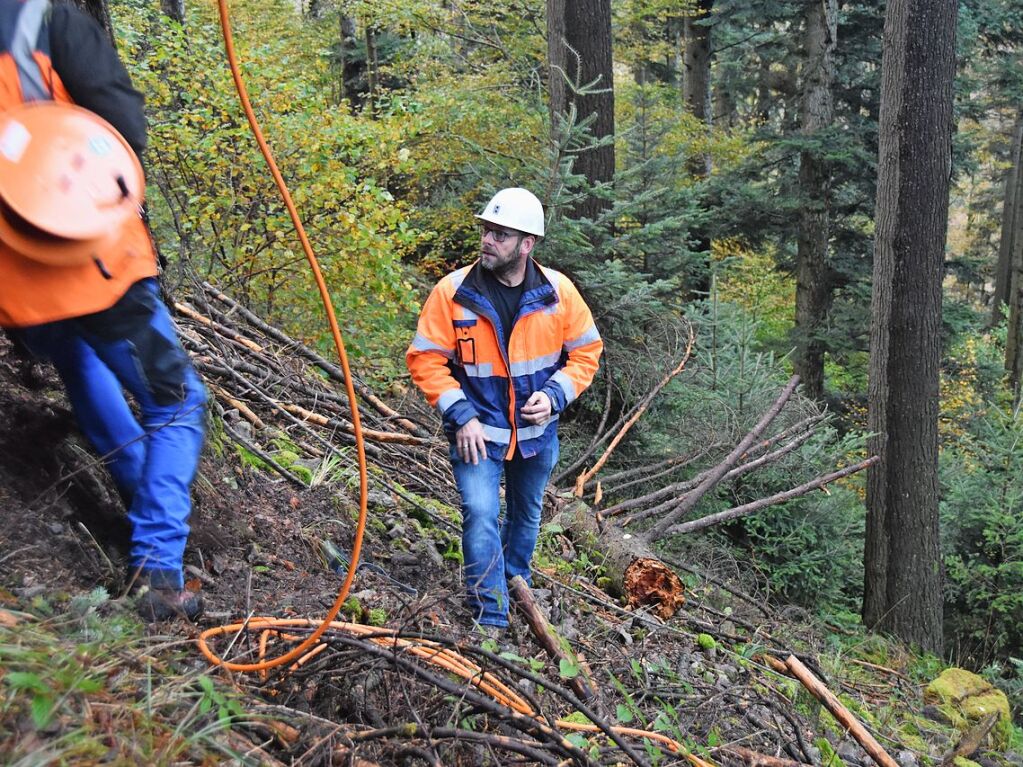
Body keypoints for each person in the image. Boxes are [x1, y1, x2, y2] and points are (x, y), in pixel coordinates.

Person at [0, 0, 206, 620]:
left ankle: (142, 503)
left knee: (82, 367)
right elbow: (121, 133)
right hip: (92, 265)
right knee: (177, 402)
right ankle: (159, 570)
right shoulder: (46, 22)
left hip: (18, 288)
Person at [406, 187, 603, 632]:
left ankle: (516, 582)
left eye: (499, 234)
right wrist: (461, 414)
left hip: (537, 435)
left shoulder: (558, 293)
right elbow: (425, 358)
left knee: (527, 513)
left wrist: (554, 396)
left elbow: (587, 352)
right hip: (476, 433)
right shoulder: (453, 292)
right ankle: (490, 616)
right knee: (479, 512)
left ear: (527, 244)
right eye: (486, 230)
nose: (487, 240)